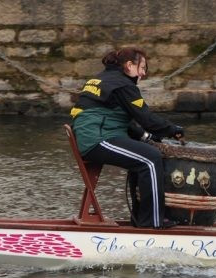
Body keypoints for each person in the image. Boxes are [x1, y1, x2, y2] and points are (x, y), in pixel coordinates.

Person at [70, 47, 185, 229]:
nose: (144, 73)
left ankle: (141, 219)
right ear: (129, 65)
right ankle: (152, 223)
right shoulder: (123, 84)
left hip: (93, 137)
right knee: (151, 158)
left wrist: (146, 136)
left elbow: (120, 119)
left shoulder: (101, 79)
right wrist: (173, 129)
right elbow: (146, 118)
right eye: (142, 67)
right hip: (98, 140)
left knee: (140, 157)